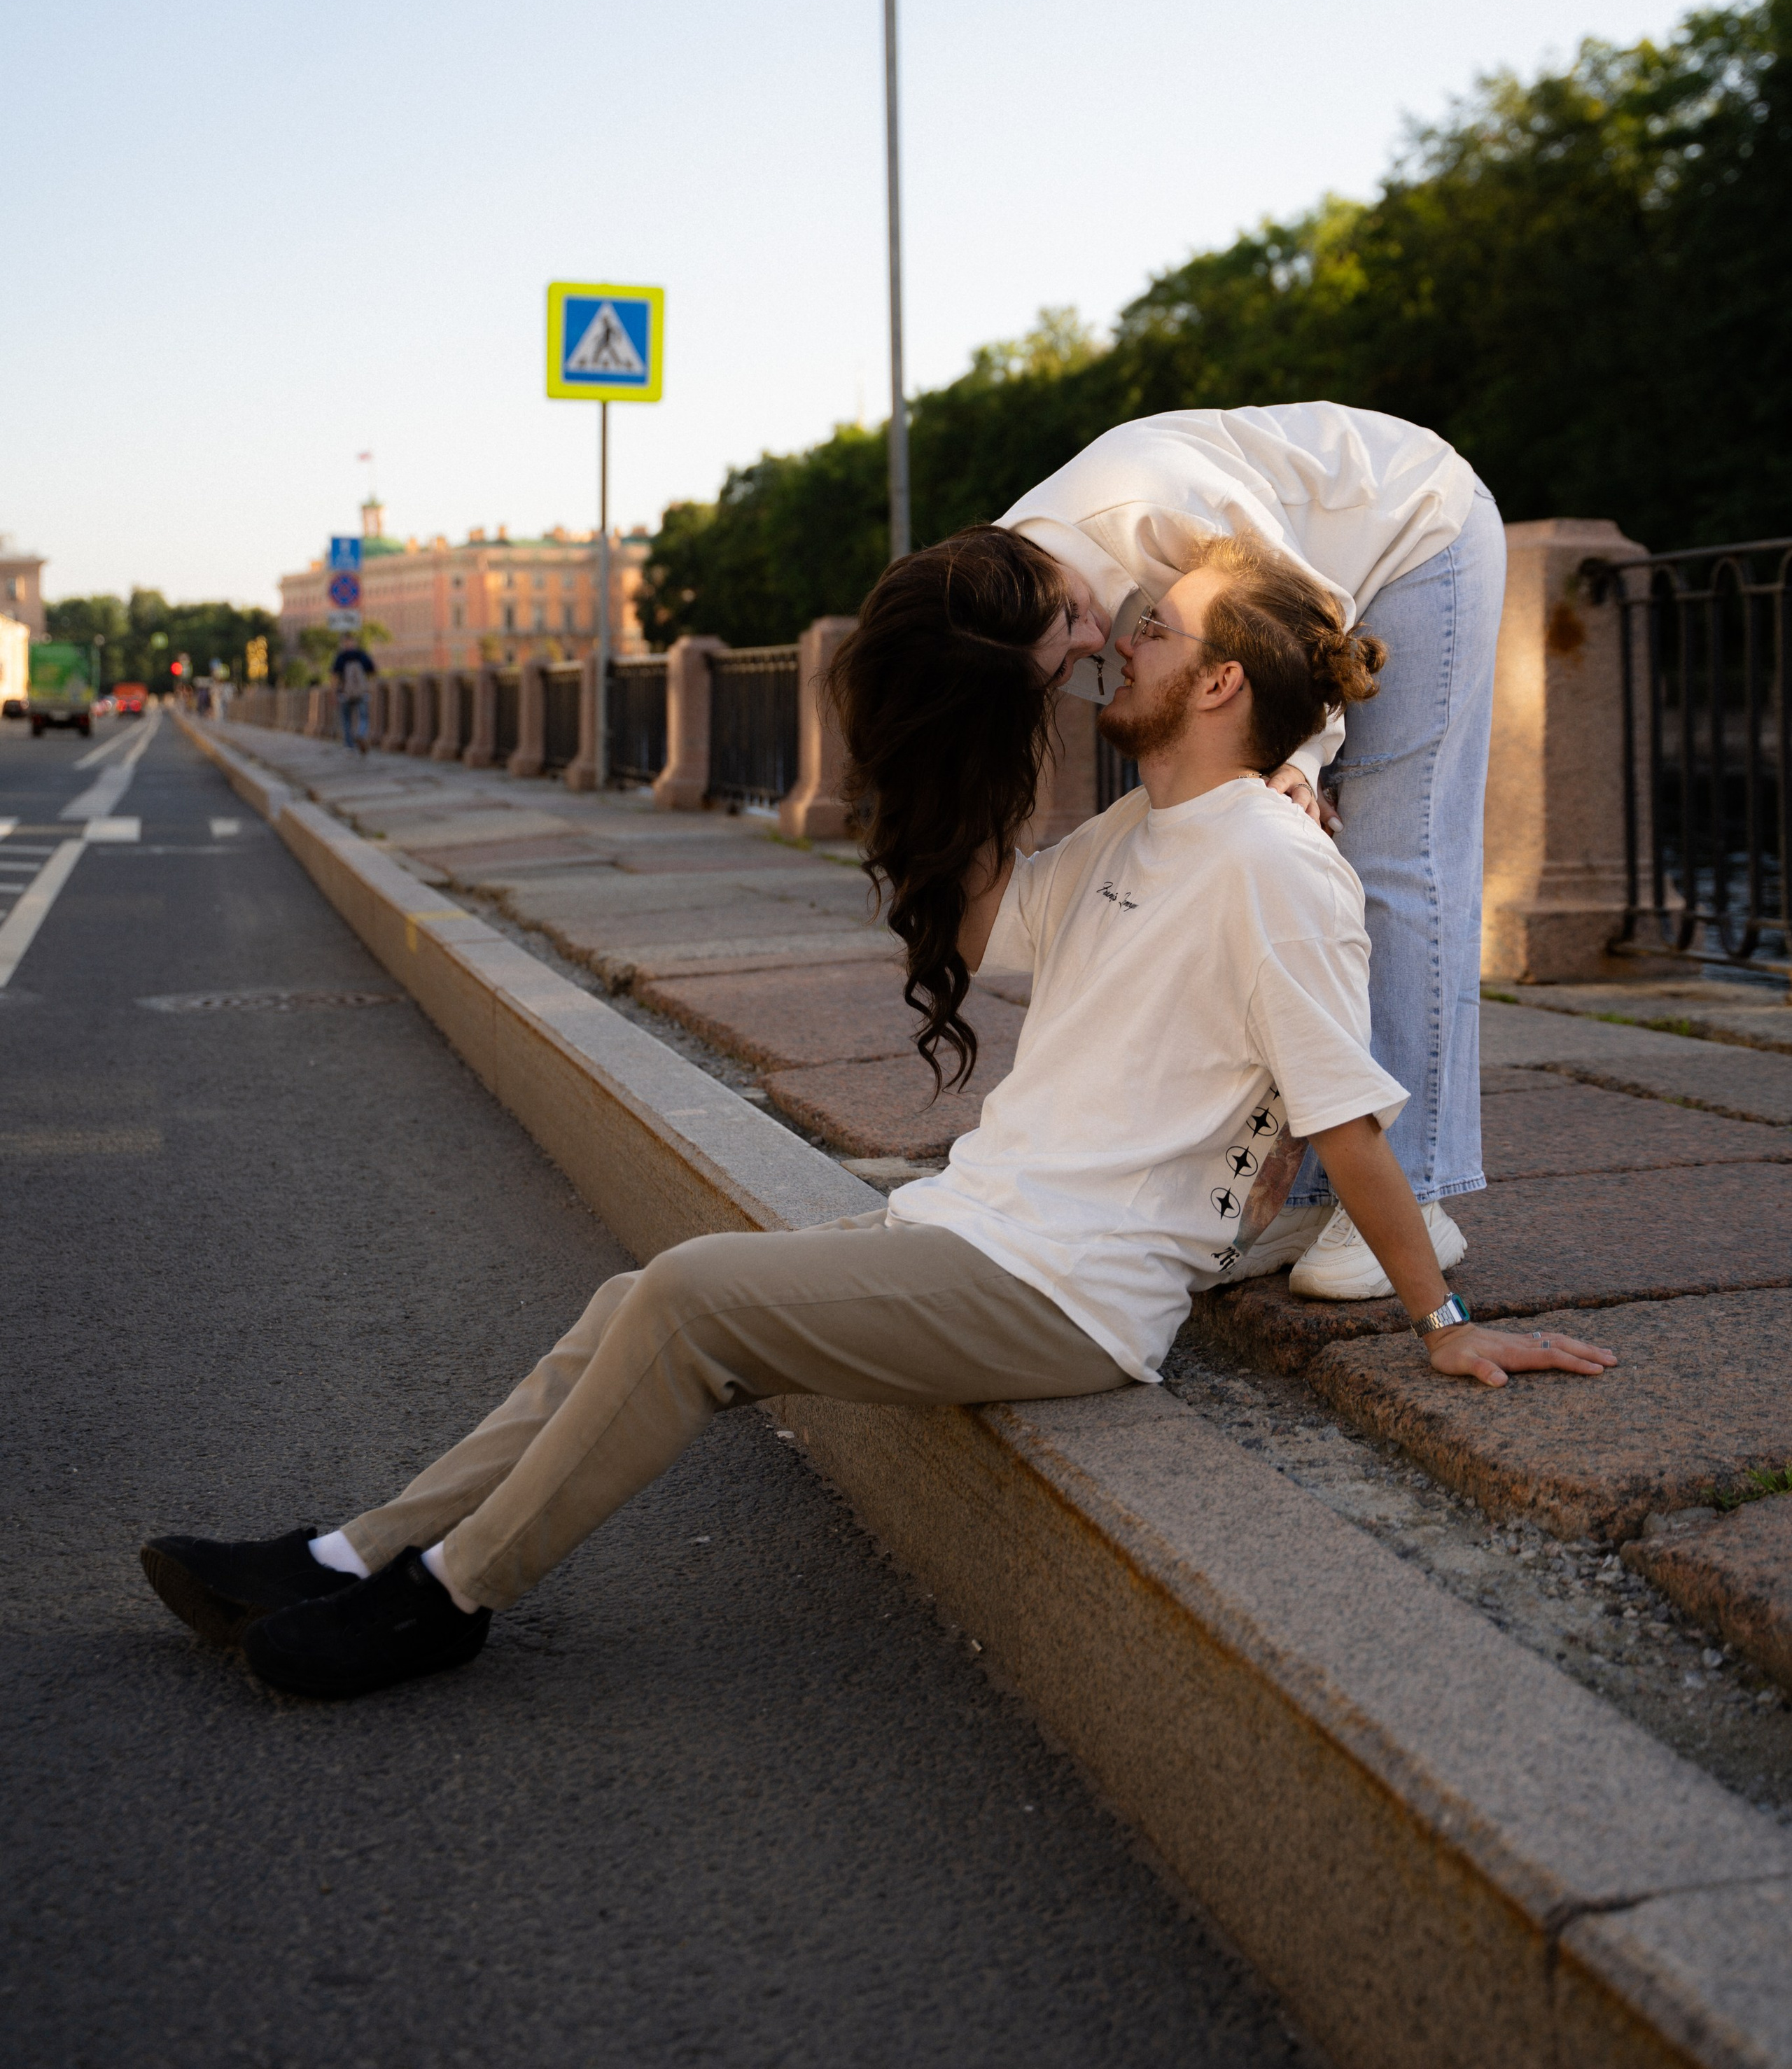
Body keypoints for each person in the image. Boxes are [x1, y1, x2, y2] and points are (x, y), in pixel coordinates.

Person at [139, 538, 1614, 1702]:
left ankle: (447, 1600)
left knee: (690, 1298)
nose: (1119, 636)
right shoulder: (1132, 835)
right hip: (984, 1233)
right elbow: (976, 922)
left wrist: (1442, 1319)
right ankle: (349, 1552)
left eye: (1154, 629)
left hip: (1072, 1294)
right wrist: (995, 688)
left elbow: (1344, 1118)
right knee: (632, 1300)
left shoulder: (1277, 868)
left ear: (1223, 685)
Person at [833, 402, 1502, 1303]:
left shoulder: (1151, 504)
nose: (1093, 647)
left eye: (1075, 620)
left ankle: (1414, 1193)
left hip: (1416, 530)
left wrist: (1299, 766)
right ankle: (1306, 1196)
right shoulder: (1005, 605)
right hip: (1306, 589)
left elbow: (1306, 618)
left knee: (1389, 860)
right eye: (1061, 668)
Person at [330, 637, 377, 754]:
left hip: (345, 694)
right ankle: (361, 734)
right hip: (361, 693)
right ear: (354, 643)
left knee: (346, 719)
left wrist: (334, 693)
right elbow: (373, 671)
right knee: (363, 717)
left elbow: (334, 676)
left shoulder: (341, 657)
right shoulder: (362, 655)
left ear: (344, 644)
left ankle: (349, 746)